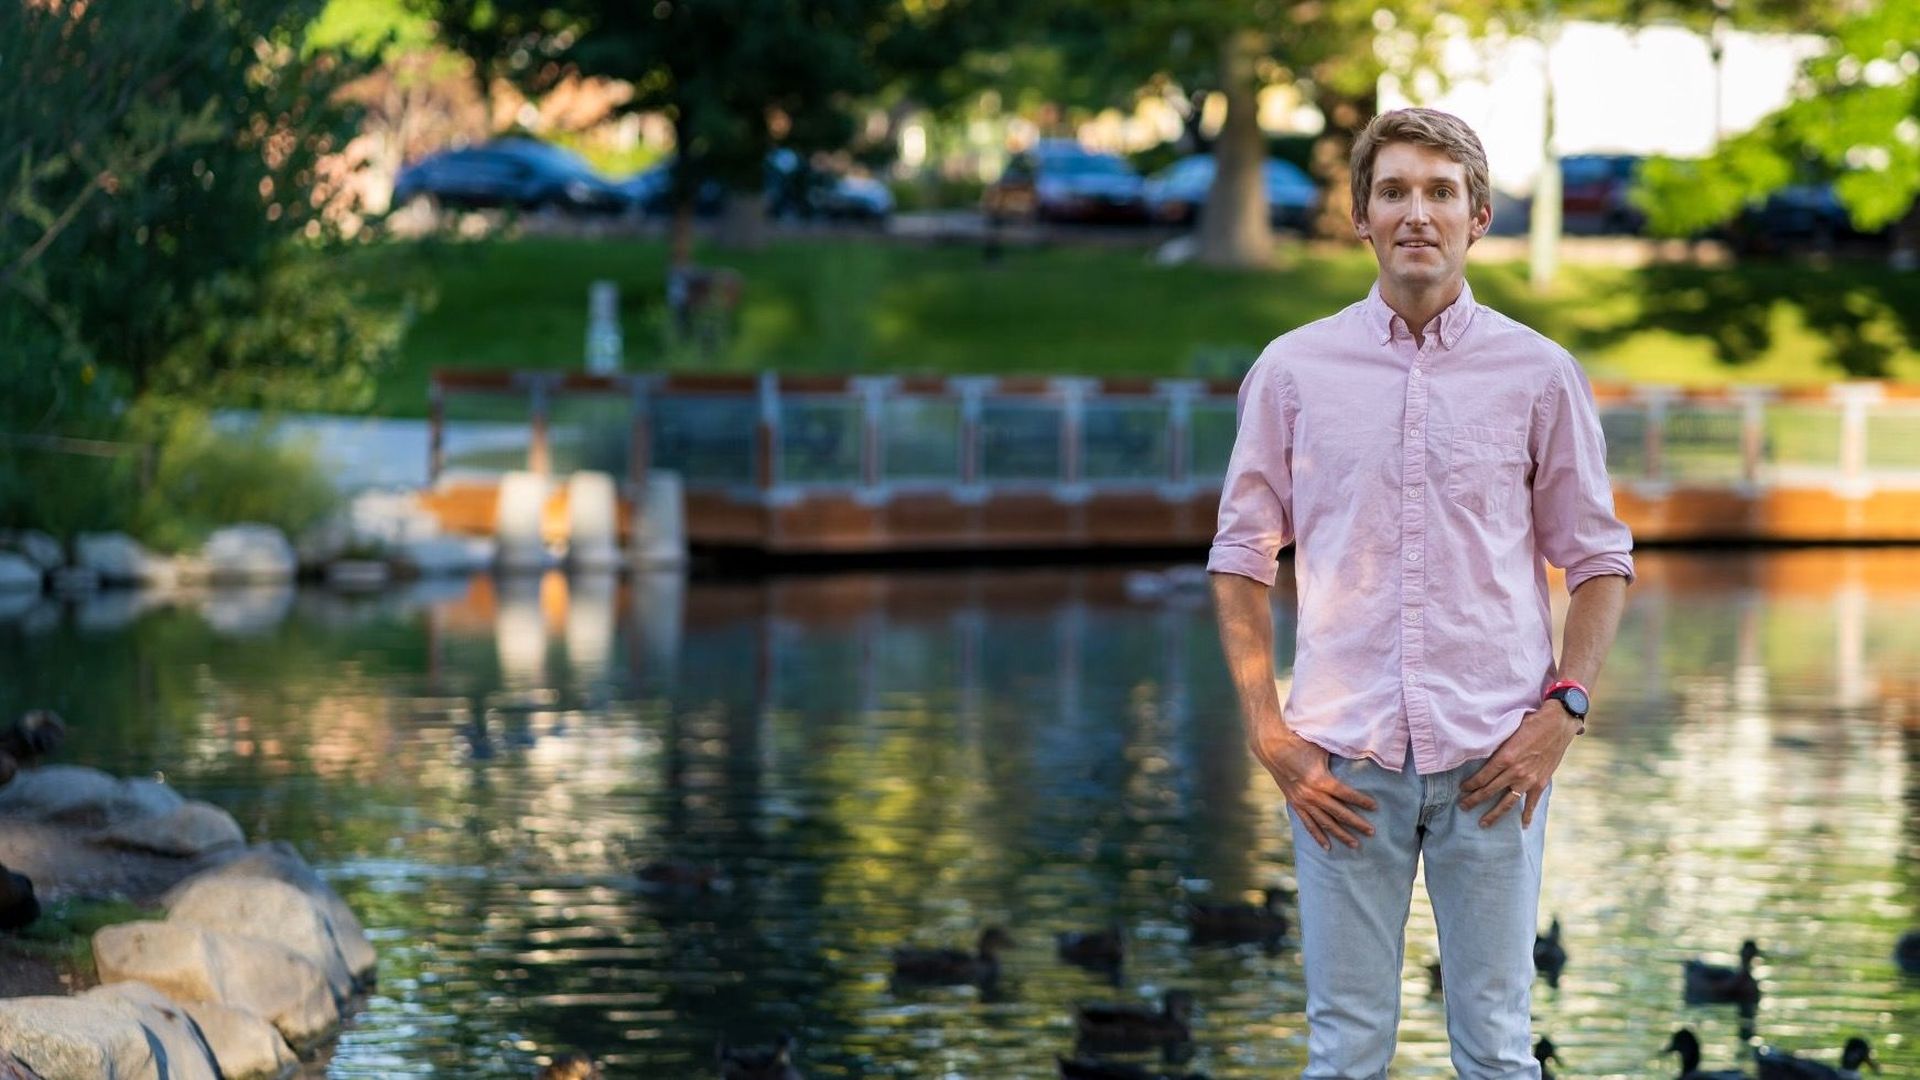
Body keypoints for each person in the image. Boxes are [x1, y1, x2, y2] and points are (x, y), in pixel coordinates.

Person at [1207, 107, 1633, 1079]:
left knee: (1496, 1049)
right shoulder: (1293, 370)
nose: (1417, 213)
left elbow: (1599, 560)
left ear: (1479, 216)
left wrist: (1564, 710)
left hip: (1499, 762)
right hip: (1340, 769)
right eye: (1393, 191)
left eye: (1441, 192)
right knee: (1345, 1051)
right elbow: (1241, 557)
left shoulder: (1539, 374)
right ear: (1360, 217)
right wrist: (1267, 731)